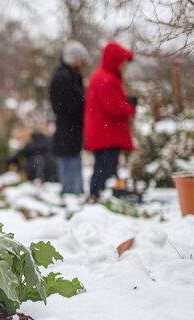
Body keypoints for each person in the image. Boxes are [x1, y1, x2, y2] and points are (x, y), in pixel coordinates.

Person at [84, 41, 136, 201]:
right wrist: (130, 106)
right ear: (116, 62)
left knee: (104, 167)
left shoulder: (103, 77)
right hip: (106, 134)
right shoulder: (104, 78)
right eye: (123, 64)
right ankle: (100, 197)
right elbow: (114, 107)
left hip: (104, 133)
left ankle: (100, 196)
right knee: (105, 168)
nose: (124, 68)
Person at [50, 40, 88, 195]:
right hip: (68, 134)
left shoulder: (69, 76)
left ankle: (73, 194)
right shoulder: (64, 78)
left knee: (72, 166)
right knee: (70, 172)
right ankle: (71, 196)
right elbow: (69, 106)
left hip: (70, 133)